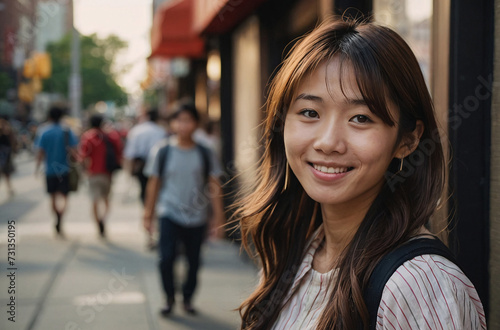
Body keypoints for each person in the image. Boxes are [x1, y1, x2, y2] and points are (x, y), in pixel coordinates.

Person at [232, 18, 487, 329]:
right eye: (310, 113)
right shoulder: (299, 250)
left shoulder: (418, 286)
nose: (328, 143)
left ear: (408, 140)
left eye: (361, 118)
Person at [143, 103, 225, 316]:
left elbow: (214, 186)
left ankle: (187, 298)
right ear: (172, 123)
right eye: (178, 120)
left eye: (188, 120)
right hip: (168, 212)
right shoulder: (162, 151)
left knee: (194, 261)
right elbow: (154, 184)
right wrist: (148, 214)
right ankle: (169, 297)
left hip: (196, 216)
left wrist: (218, 217)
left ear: (196, 124)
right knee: (166, 258)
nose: (183, 125)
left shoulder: (205, 153)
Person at [123, 107, 166, 247]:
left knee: (146, 199)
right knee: (159, 199)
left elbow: (130, 154)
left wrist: (128, 174)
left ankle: (150, 234)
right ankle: (159, 232)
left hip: (142, 169)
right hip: (160, 169)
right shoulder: (161, 131)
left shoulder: (137, 131)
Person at [35, 105, 78, 235]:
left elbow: (40, 152)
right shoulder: (67, 131)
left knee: (52, 197)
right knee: (65, 196)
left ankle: (57, 216)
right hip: (64, 170)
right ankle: (61, 216)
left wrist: (37, 168)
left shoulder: (43, 131)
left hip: (50, 171)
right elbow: (74, 150)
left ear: (49, 116)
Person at [79, 114, 123, 237]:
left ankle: (98, 224)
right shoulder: (111, 136)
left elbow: (83, 157)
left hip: (93, 173)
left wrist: (84, 171)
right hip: (107, 174)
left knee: (94, 201)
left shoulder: (88, 137)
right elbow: (119, 152)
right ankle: (103, 219)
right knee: (106, 200)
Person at [0, 116, 17, 197]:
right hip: (3, 156)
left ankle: (10, 189)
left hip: (6, 157)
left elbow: (13, 143)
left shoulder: (9, 133)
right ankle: (10, 189)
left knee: (7, 175)